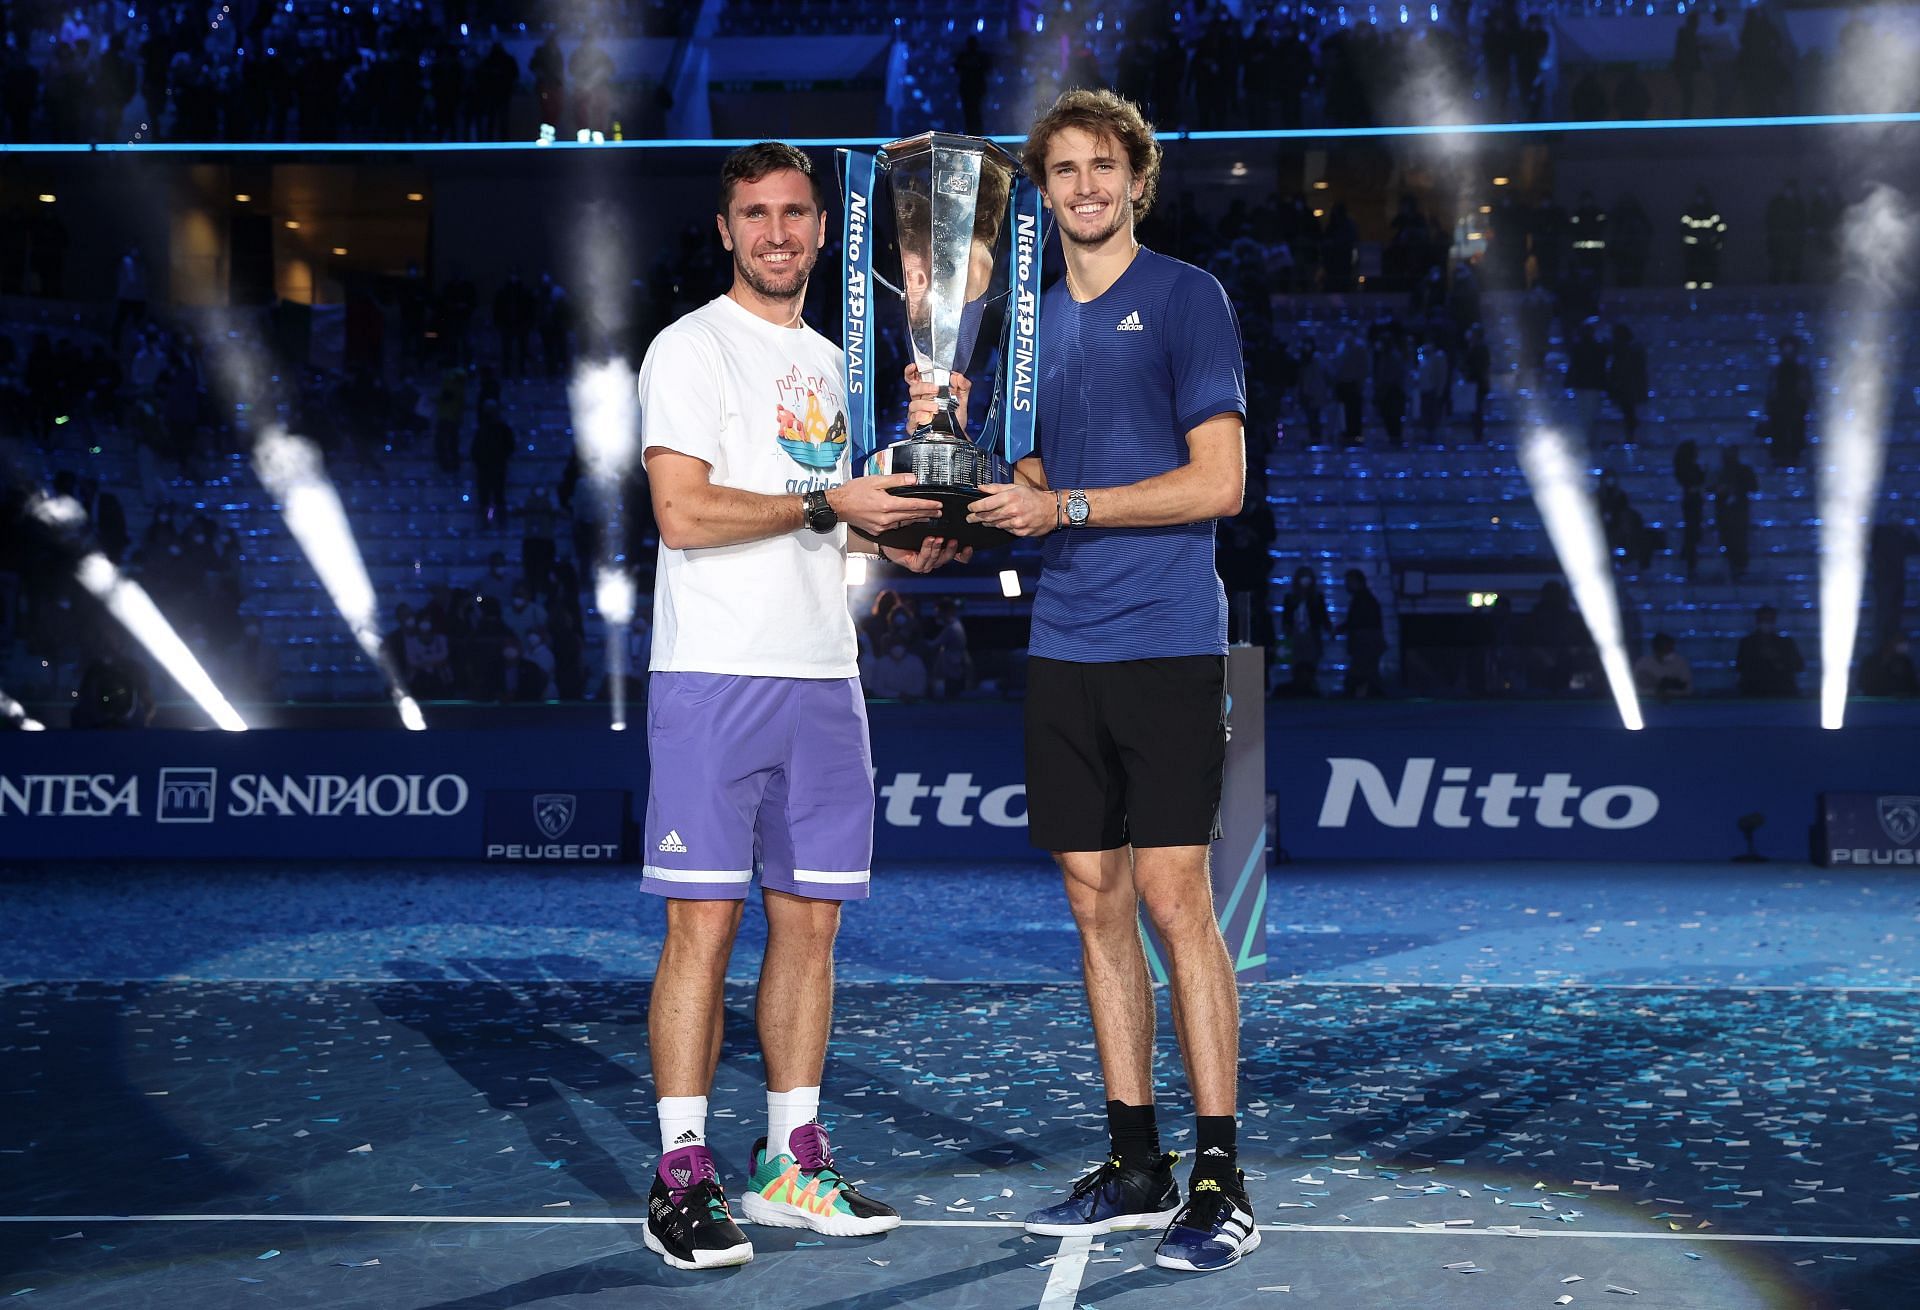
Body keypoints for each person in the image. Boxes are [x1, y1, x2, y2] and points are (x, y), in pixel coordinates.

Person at [635, 141, 969, 1271]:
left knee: (812, 925)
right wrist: (828, 498)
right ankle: (681, 1169)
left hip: (827, 675)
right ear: (725, 229)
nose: (777, 232)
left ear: (825, 230)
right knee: (704, 925)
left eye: (794, 213)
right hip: (714, 674)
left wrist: (919, 505)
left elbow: (859, 527)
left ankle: (789, 1158)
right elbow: (681, 512)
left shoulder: (836, 363)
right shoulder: (687, 348)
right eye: (754, 214)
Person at [965, 88, 1258, 1274]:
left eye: (1102, 167)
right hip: (1065, 645)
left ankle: (1221, 1173)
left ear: (1137, 180)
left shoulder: (1189, 297)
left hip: (1170, 640)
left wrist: (1067, 502)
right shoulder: (1026, 327)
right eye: (1063, 170)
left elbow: (1220, 480)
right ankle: (1135, 1158)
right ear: (1043, 192)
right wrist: (966, 468)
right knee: (1095, 903)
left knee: (1177, 900)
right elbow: (1027, 473)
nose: (1083, 186)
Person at [1735, 605, 1805, 697]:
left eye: (1769, 619)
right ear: (1757, 621)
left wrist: (1776, 659)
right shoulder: (1747, 643)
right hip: (1753, 691)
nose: (1766, 623)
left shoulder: (1786, 643)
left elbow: (1799, 666)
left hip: (1782, 691)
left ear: (1774, 621)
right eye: (1763, 619)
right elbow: (1740, 667)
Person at [1339, 568, 1386, 697]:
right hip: (1368, 643)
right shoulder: (1365, 599)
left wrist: (1342, 629)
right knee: (1368, 674)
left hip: (1365, 644)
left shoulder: (1363, 600)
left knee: (1360, 675)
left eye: (1349, 581)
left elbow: (1357, 622)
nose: (1347, 585)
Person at [1633, 632, 1693, 699]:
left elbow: (1686, 688)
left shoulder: (1681, 663)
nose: (1669, 652)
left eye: (1670, 649)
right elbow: (1638, 688)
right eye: (1665, 649)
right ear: (1656, 650)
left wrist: (1669, 690)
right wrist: (1657, 691)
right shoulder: (1642, 663)